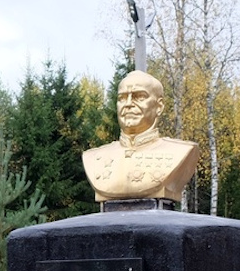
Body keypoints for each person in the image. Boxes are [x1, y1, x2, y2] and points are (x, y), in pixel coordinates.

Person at [81, 69, 199, 205]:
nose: (128, 104)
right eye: (122, 98)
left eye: (139, 97)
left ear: (159, 106)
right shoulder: (94, 157)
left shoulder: (181, 151)